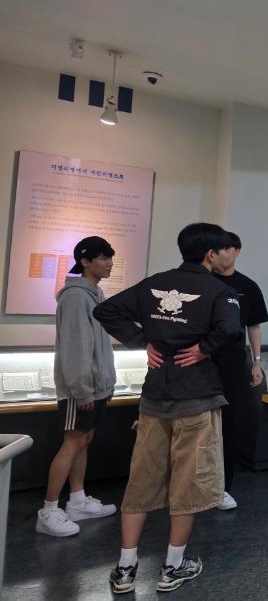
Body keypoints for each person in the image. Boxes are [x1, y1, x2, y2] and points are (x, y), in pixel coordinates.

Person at [94, 223, 243, 594]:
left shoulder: (154, 283)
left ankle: (126, 568)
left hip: (154, 399)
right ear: (210, 253)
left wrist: (143, 341)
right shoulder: (221, 291)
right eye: (223, 250)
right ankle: (172, 567)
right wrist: (204, 349)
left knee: (141, 481)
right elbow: (231, 330)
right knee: (188, 484)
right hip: (197, 398)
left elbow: (106, 310)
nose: (227, 255)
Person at [35, 236, 119, 537]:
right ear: (85, 261)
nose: (109, 263)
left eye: (110, 257)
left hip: (95, 386)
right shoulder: (75, 297)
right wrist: (82, 389)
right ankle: (48, 510)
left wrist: (105, 382)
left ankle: (77, 501)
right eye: (103, 257)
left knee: (84, 439)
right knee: (72, 442)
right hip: (79, 388)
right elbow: (75, 348)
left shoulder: (95, 294)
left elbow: (99, 344)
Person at [211, 231, 268, 511]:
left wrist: (256, 361)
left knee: (229, 424)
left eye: (223, 249)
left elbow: (253, 326)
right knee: (198, 423)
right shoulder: (203, 281)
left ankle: (222, 486)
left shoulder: (248, 286)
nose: (217, 255)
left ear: (235, 251)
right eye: (214, 250)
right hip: (201, 362)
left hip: (234, 363)